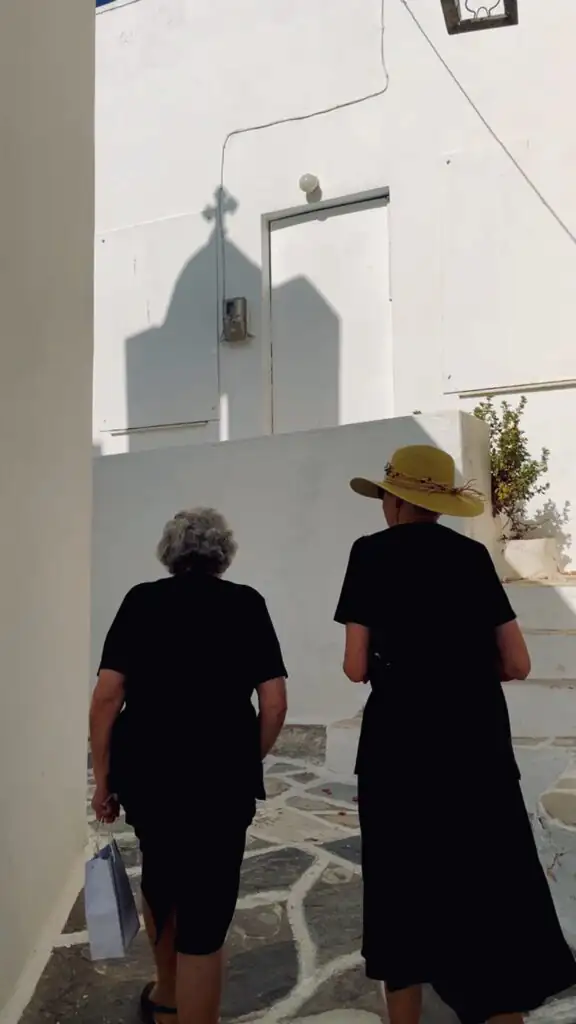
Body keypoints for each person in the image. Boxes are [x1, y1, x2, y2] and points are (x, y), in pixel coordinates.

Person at [334, 445, 576, 1024]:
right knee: (489, 883)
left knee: (400, 885)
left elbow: (354, 664)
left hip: (399, 748)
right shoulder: (471, 558)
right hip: (476, 745)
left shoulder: (368, 555)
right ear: (439, 505)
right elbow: (518, 663)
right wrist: (461, 673)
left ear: (395, 500)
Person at [89, 508, 288, 1024]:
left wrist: (103, 780)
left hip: (151, 777)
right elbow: (274, 703)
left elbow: (107, 698)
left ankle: (167, 995)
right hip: (221, 780)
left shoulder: (141, 600)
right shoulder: (247, 604)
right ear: (223, 554)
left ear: (170, 551)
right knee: (208, 905)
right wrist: (249, 758)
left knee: (162, 880)